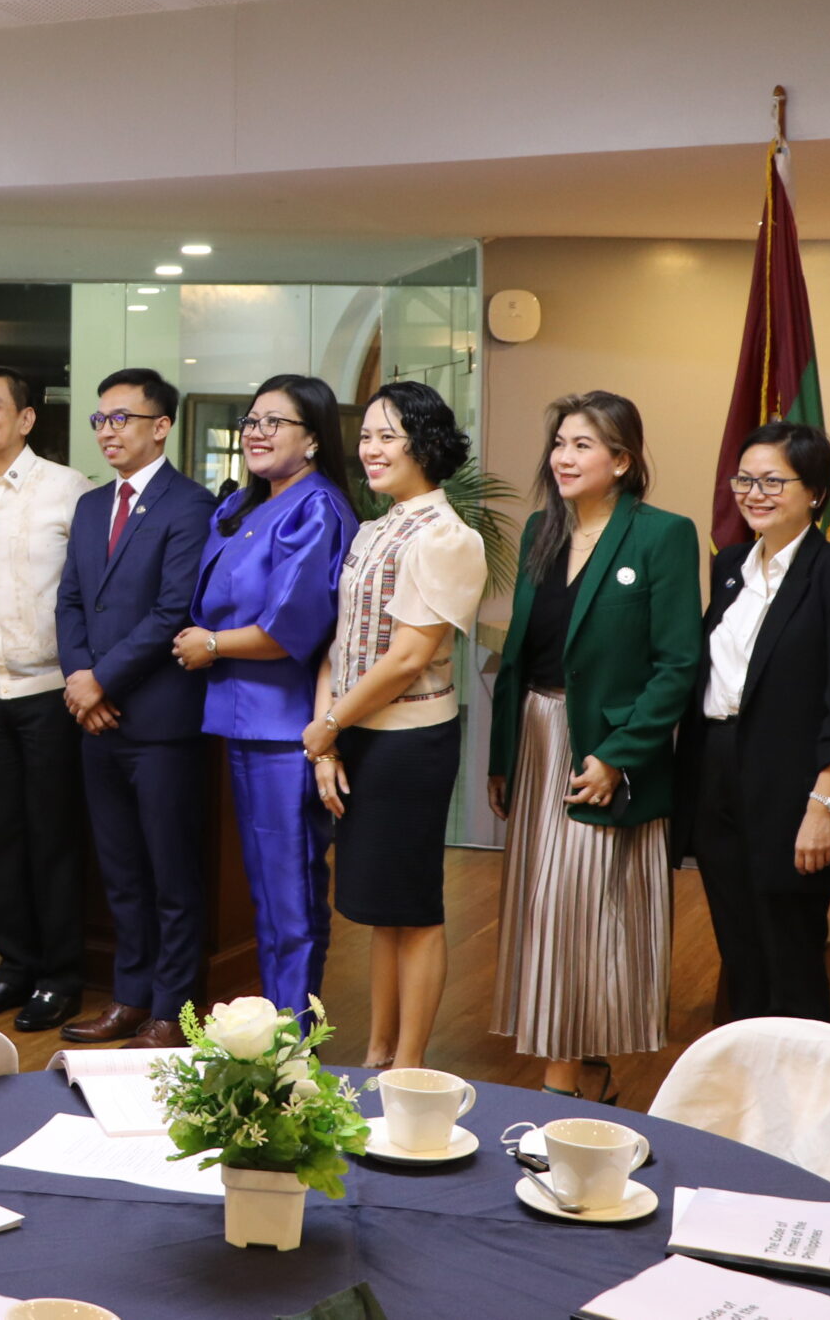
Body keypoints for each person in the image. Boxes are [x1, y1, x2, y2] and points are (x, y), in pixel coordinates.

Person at [485, 391, 700, 1098]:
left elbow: (678, 663)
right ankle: (578, 1068)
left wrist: (617, 755)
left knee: (578, 911)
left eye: (583, 444)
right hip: (536, 736)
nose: (564, 457)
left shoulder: (662, 534)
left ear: (623, 460)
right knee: (540, 909)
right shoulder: (542, 528)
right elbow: (520, 654)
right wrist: (502, 757)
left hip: (603, 748)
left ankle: (561, 1085)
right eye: (560, 443)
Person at [306, 381, 487, 1070]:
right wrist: (328, 739)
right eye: (367, 436)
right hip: (357, 732)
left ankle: (408, 1065)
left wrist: (328, 725)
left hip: (412, 741)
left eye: (389, 436)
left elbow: (409, 656)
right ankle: (378, 1052)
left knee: (413, 907)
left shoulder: (448, 537)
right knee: (382, 907)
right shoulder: (374, 528)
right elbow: (338, 642)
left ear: (426, 445)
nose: (371, 449)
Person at [683, 422, 830, 1022]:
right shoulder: (729, 566)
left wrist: (822, 807)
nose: (755, 493)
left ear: (816, 492)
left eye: (773, 481)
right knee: (739, 947)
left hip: (793, 784)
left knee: (791, 951)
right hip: (718, 768)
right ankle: (744, 1070)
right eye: (745, 480)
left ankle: (802, 1076)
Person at [176, 373, 359, 1013]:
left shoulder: (318, 508)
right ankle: (276, 1029)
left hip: (288, 728)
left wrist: (213, 644)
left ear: (313, 439)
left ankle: (293, 1039)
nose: (257, 432)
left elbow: (291, 628)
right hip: (240, 718)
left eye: (274, 422)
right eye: (251, 421)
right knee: (265, 891)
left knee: (291, 894)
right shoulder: (245, 506)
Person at [56, 368, 214, 1049]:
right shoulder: (93, 505)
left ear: (161, 426)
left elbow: (172, 611)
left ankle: (172, 1011)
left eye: (121, 418)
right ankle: (129, 996)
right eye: (100, 419)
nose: (107, 431)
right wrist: (78, 678)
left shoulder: (191, 505)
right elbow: (69, 600)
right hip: (96, 721)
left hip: (160, 723)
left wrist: (101, 681)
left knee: (171, 874)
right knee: (120, 872)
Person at [0, 367, 90, 1032]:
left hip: (53, 691)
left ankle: (60, 976)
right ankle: (13, 966)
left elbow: (89, 595)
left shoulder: (67, 490)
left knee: (52, 837)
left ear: (26, 419)